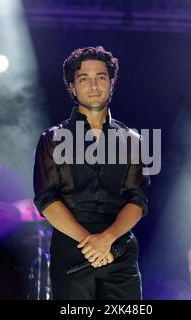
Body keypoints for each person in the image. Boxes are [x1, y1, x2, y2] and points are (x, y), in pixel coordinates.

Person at [33, 46, 150, 299]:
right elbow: (46, 198)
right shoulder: (52, 139)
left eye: (101, 77)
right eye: (84, 78)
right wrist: (91, 243)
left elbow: (138, 199)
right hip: (71, 250)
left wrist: (107, 240)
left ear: (111, 83)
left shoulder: (133, 141)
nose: (94, 85)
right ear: (72, 87)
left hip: (119, 252)